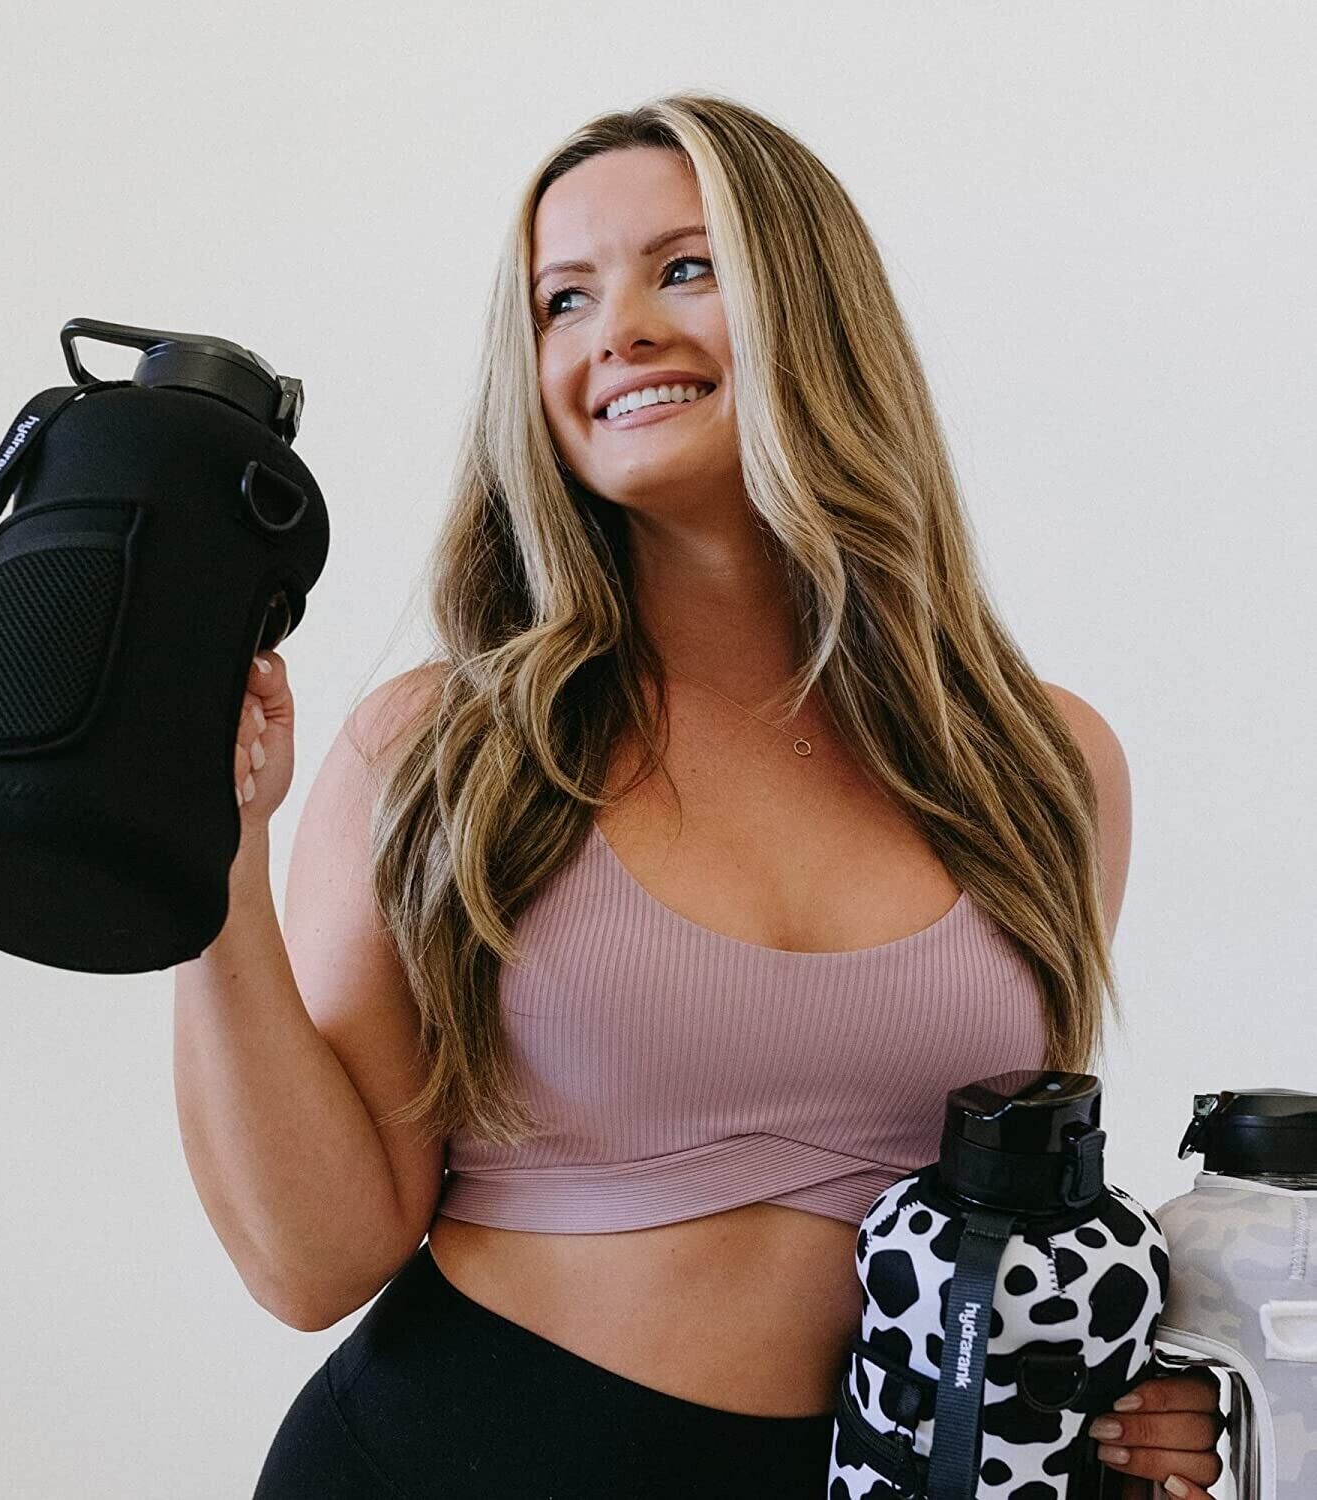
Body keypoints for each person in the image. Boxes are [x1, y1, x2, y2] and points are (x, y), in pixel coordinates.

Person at [174, 93, 1225, 1497]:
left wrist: (1146, 1394)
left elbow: (1018, 1239)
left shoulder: (1041, 765)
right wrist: (211, 866)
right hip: (455, 1458)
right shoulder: (444, 748)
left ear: (812, 308)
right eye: (562, 299)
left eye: (684, 269)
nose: (615, 331)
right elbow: (312, 1265)